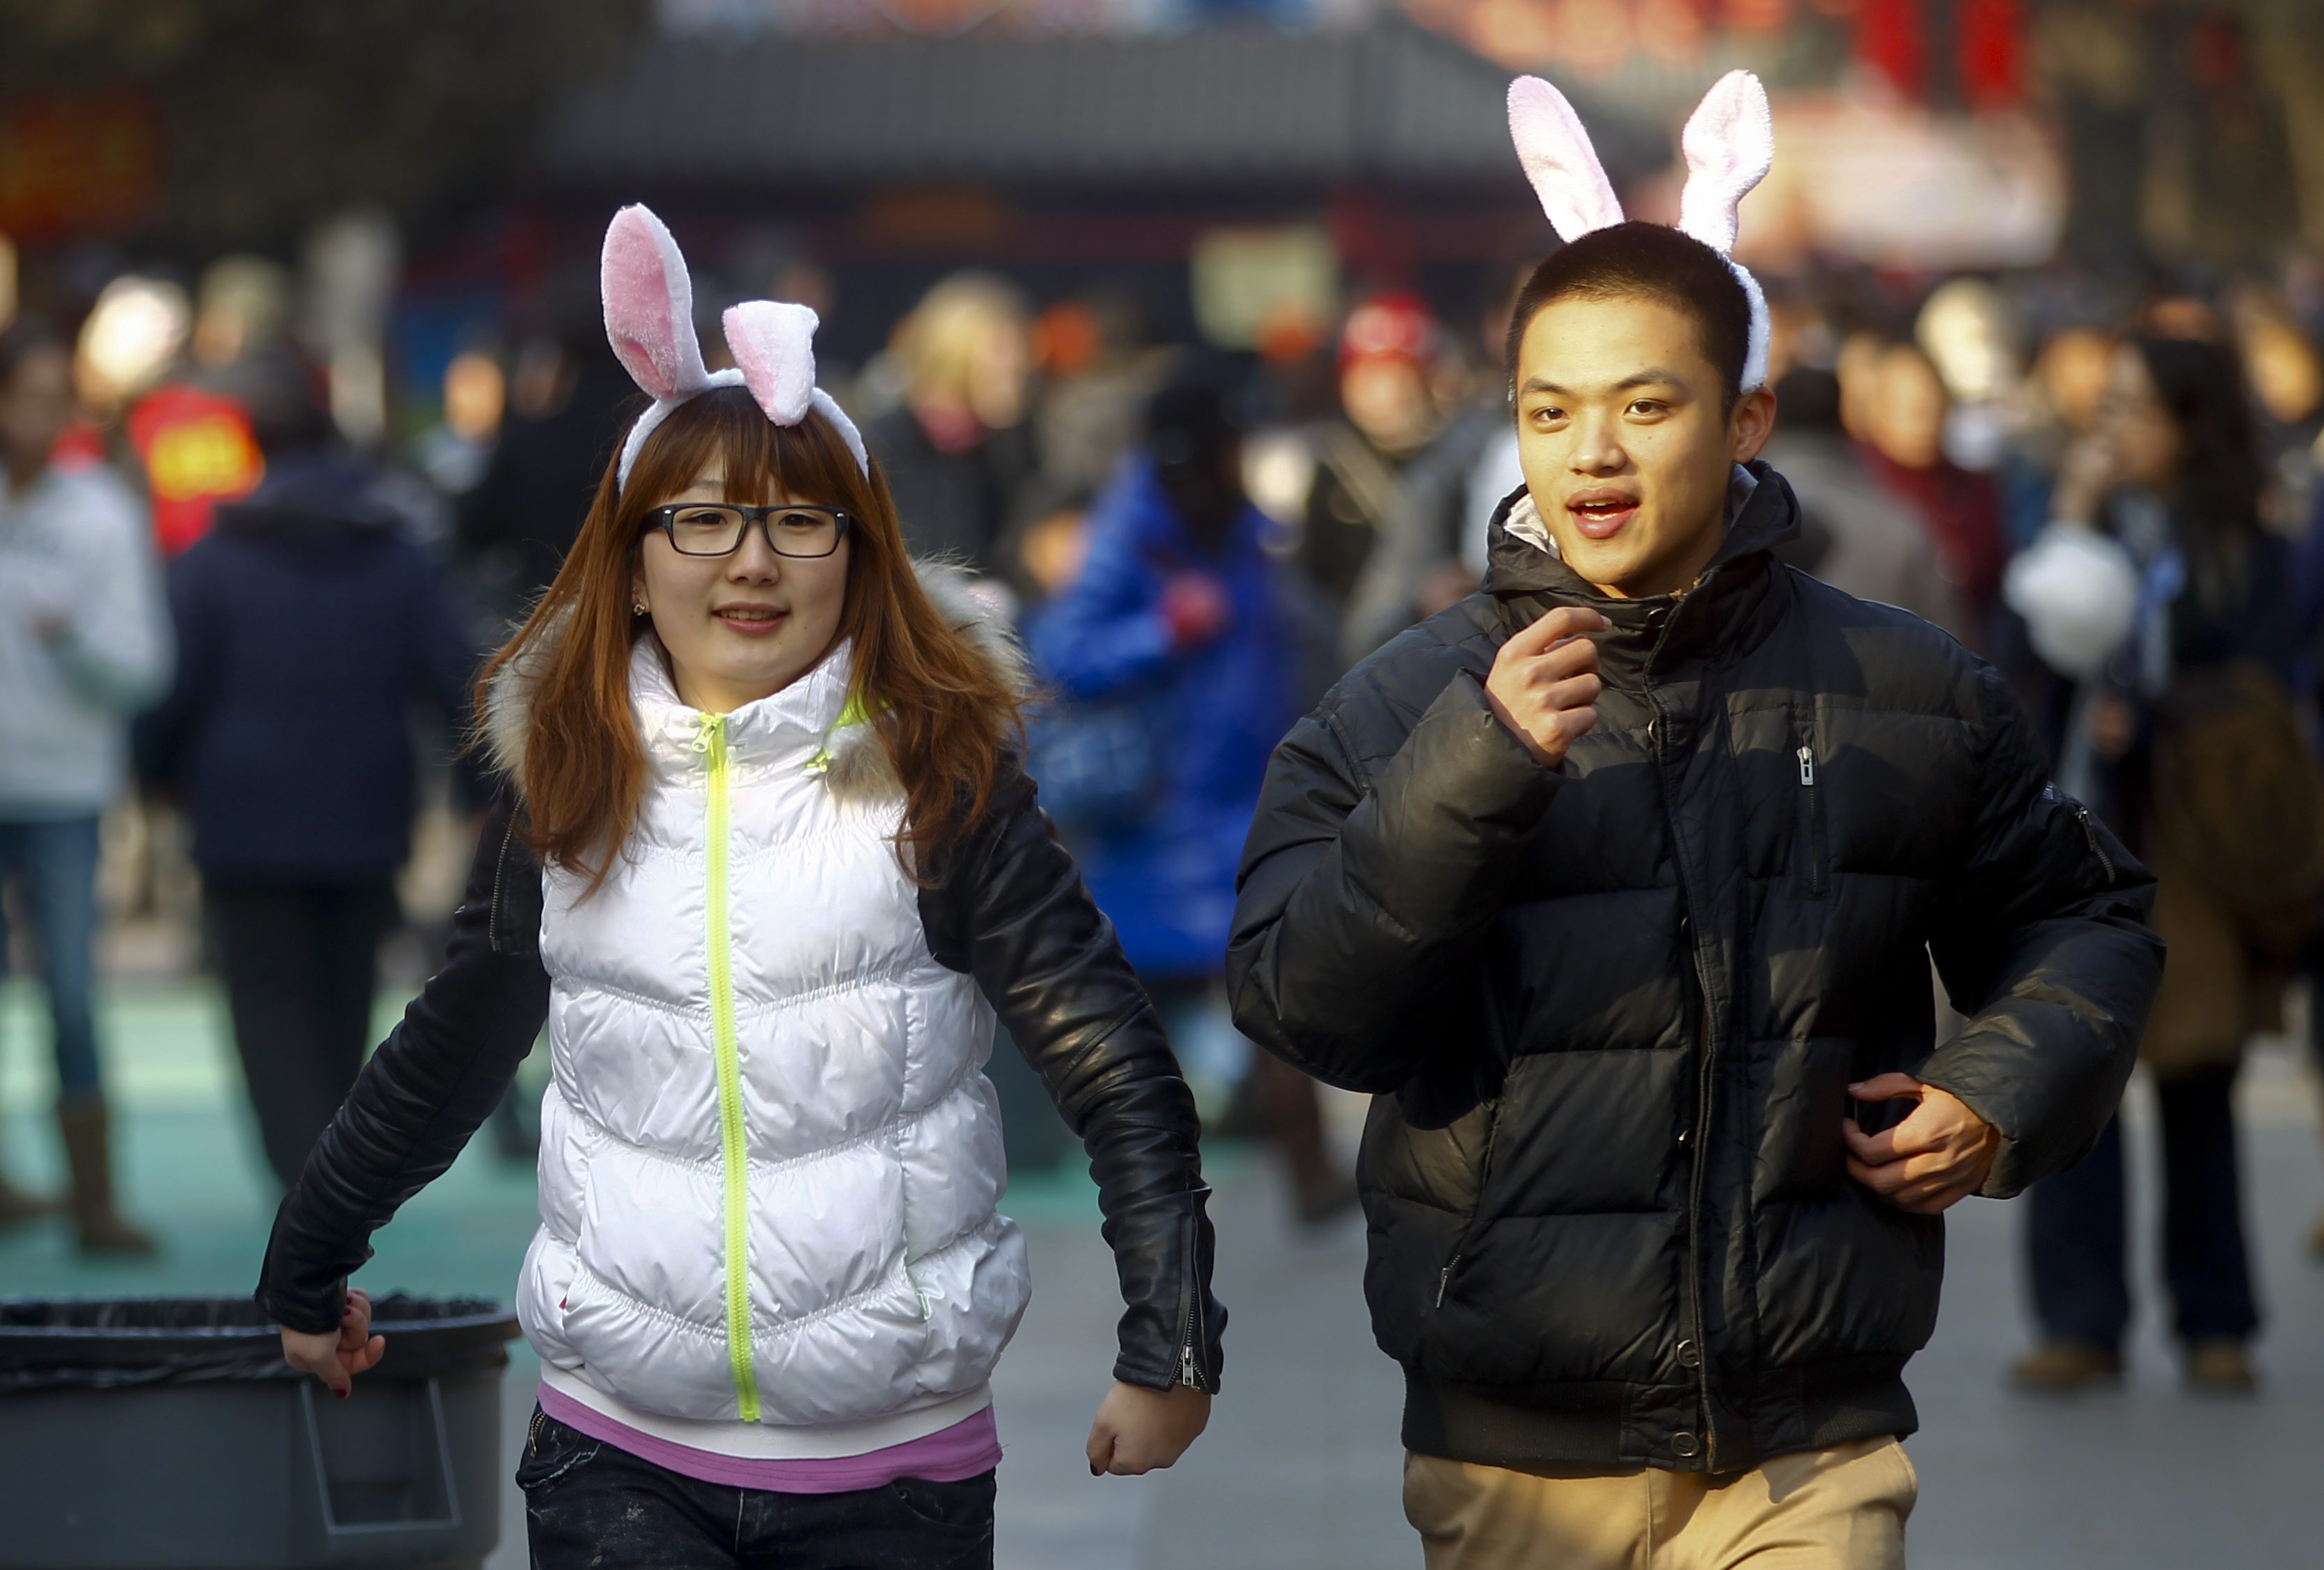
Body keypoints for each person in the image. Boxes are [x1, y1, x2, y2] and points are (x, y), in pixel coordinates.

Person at [1226, 74, 2161, 1569]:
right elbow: (1302, 1001)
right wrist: (1471, 772)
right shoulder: (1408, 700)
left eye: (1645, 404)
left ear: (1746, 417)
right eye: (1550, 409)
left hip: (1812, 1431)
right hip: (1516, 1444)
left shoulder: (1906, 683)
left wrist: (1996, 1087)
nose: (1591, 451)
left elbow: (2089, 916)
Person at [255, 209, 1220, 1569]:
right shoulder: (570, 773)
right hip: (617, 1447)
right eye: (700, 519)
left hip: (897, 1457)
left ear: (861, 549)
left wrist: (1168, 1334)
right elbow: (457, 1033)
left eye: (797, 522)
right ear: (636, 557)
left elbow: (1112, 1059)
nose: (748, 560)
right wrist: (308, 1258)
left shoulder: (940, 774)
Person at [2004, 333, 2316, 1394]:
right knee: (2067, 1076)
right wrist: (2071, 525)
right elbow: (2019, 657)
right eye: (2107, 408)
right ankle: (2080, 1320)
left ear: (2187, 423)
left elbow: (2262, 676)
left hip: (2190, 844)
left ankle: (2214, 1320)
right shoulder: (2072, 514)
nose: (2112, 429)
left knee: (2197, 1077)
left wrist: (2164, 709)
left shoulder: (2241, 537)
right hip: (2078, 831)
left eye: (2133, 408)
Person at [135, 360, 484, 1191]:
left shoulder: (214, 558)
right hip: (367, 801)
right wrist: (481, 790)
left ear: (253, 447)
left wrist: (156, 776)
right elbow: (455, 678)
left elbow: (174, 687)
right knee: (343, 996)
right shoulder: (395, 553)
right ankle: (336, 1171)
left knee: (264, 1001)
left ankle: (301, 1180)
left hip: (242, 808)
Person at [1028, 371, 1351, 1222]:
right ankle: (1155, 1190)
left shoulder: (1241, 529)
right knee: (1146, 1018)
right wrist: (1161, 629)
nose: (1234, 463)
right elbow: (1060, 652)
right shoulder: (1131, 535)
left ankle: (1310, 1171)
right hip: (1158, 817)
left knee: (1275, 991)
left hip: (1248, 797)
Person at [0, 320, 172, 1254]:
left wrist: (71, 641)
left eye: (46, 400)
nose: (31, 419)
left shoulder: (102, 515)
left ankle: (94, 1202)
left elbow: (145, 668)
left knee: (70, 993)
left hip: (65, 792)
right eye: (16, 398)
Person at [1762, 366, 1972, 641]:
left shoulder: (1732, 519)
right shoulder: (1899, 524)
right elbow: (1952, 647)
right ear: (1845, 422)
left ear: (1769, 423)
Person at [863, 272, 1037, 577]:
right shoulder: (882, 444)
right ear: (954, 354)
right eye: (1000, 349)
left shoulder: (1010, 446)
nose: (1019, 364)